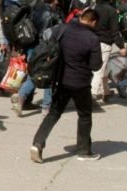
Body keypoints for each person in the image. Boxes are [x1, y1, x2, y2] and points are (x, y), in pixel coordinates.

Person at [30, 9, 103, 163]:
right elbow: (96, 66)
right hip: (81, 83)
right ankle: (84, 150)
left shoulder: (63, 29)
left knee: (54, 113)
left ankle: (38, 143)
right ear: (94, 22)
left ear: (81, 17)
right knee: (84, 115)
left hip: (61, 79)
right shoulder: (92, 38)